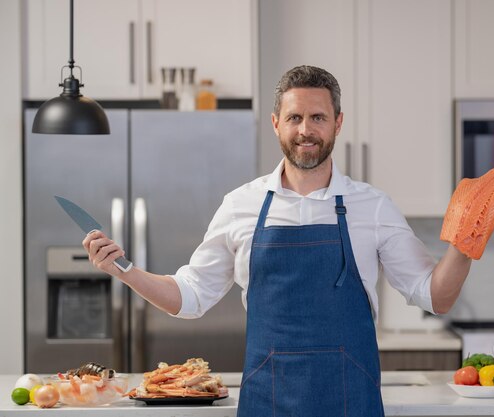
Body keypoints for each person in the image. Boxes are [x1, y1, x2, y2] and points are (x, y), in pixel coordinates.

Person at [83, 65, 472, 417]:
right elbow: (189, 297)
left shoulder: (371, 206)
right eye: (295, 118)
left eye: (318, 117)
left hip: (350, 401)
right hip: (268, 402)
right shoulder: (240, 206)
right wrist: (126, 270)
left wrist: (467, 241)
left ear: (338, 123)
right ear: (276, 123)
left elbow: (435, 297)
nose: (306, 129)